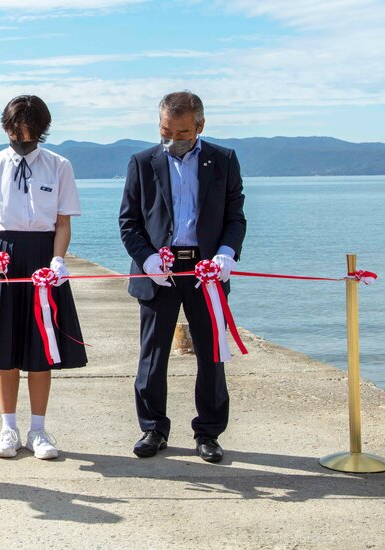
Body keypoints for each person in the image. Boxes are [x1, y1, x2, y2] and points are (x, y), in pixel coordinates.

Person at [118, 90, 246, 463]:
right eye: (165, 131)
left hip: (206, 273)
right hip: (159, 273)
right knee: (153, 356)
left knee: (211, 356)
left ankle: (208, 432)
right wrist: (147, 259)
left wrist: (226, 253)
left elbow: (235, 216)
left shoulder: (223, 160)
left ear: (200, 126)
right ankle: (153, 428)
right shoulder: (142, 162)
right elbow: (129, 222)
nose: (172, 139)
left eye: (182, 132)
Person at [0, 95, 88, 460]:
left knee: (40, 348)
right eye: (16, 134)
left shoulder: (59, 166)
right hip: (3, 258)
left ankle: (38, 430)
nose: (23, 141)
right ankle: (7, 428)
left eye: (31, 135)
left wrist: (58, 259)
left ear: (42, 132)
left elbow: (63, 222)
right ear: (5, 129)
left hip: (43, 259)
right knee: (5, 347)